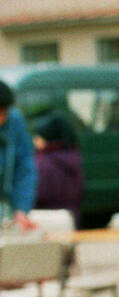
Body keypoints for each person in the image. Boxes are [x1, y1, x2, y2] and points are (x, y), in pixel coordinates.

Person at [32, 111, 84, 227]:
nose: (35, 140)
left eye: (39, 136)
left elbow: (39, 194)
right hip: (70, 220)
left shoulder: (44, 162)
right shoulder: (73, 157)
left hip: (47, 223)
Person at [0, 80, 37, 230]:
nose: (1, 119)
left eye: (3, 113)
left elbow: (25, 168)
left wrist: (21, 208)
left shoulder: (15, 122)